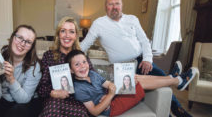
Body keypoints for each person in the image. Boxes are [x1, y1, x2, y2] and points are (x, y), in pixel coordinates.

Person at [81, 0, 192, 117]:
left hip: (140, 61)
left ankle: (177, 110)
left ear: (122, 6)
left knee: (160, 74)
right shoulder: (98, 24)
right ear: (105, 7)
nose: (114, 7)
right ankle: (175, 79)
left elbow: (144, 41)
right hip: (121, 67)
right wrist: (67, 54)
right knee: (157, 80)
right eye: (110, 4)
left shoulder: (132, 19)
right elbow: (84, 45)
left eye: (117, 3)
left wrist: (148, 59)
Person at [66, 50, 197, 116]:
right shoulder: (78, 89)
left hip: (111, 97)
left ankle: (172, 79)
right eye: (77, 65)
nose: (82, 66)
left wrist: (111, 92)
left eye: (84, 62)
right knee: (136, 82)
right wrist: (111, 95)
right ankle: (175, 80)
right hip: (111, 109)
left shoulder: (92, 74)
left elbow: (109, 85)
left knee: (132, 77)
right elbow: (94, 112)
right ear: (71, 70)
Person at [0, 25, 42, 117]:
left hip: (26, 102)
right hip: (4, 100)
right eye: (20, 37)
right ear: (13, 37)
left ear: (31, 47)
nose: (22, 43)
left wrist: (11, 79)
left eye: (28, 42)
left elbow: (23, 100)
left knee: (16, 112)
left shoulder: (35, 66)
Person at [37, 17, 94, 117]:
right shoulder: (48, 56)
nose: (67, 35)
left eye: (71, 32)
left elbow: (95, 79)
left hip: (78, 102)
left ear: (76, 36)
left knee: (81, 113)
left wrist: (104, 95)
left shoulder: (81, 56)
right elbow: (41, 88)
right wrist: (52, 93)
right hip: (53, 101)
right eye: (63, 31)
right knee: (53, 106)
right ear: (58, 35)